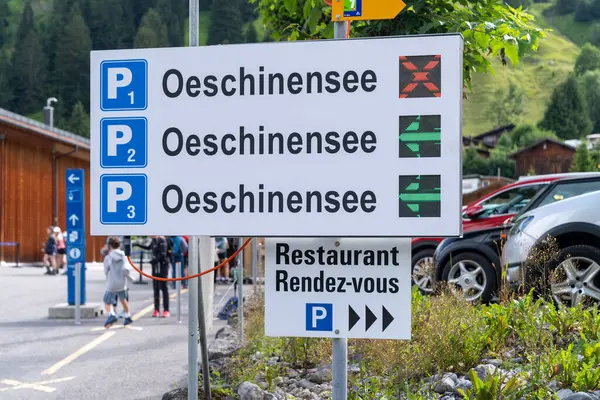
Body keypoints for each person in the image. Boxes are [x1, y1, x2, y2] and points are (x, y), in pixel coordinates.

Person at [102, 236, 134, 328]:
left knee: (107, 301)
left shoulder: (108, 257)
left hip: (111, 283)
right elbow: (127, 268)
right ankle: (127, 316)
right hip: (122, 282)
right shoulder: (124, 256)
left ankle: (111, 314)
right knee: (123, 299)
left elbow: (106, 270)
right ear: (120, 245)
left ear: (110, 246)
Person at [148, 236, 170, 318]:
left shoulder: (162, 240)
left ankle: (166, 310)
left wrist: (153, 261)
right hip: (155, 268)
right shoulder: (153, 240)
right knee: (156, 289)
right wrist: (137, 245)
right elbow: (148, 247)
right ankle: (156, 309)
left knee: (164, 288)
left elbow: (163, 255)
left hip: (163, 267)